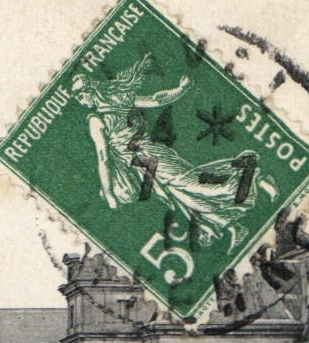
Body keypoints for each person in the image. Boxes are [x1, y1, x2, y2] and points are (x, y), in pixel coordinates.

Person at [72, 52, 276, 258]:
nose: (79, 100)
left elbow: (103, 157)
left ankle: (249, 172)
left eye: (80, 95)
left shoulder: (96, 119)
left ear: (91, 90)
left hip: (150, 156)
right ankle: (230, 227)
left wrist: (109, 194)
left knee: (193, 186)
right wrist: (180, 89)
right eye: (77, 97)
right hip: (141, 165)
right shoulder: (119, 99)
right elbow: (154, 100)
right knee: (180, 197)